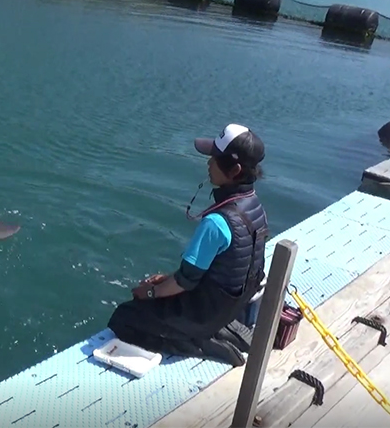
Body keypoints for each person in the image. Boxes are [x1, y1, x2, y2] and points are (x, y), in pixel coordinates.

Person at [107, 123, 270, 367]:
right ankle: (219, 331)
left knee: (124, 317)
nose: (208, 163)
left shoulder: (218, 222)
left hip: (205, 313)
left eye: (214, 158)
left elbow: (185, 281)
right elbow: (224, 268)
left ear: (234, 170)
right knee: (164, 294)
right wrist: (166, 281)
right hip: (229, 305)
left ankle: (199, 344)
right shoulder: (254, 206)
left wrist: (149, 292)